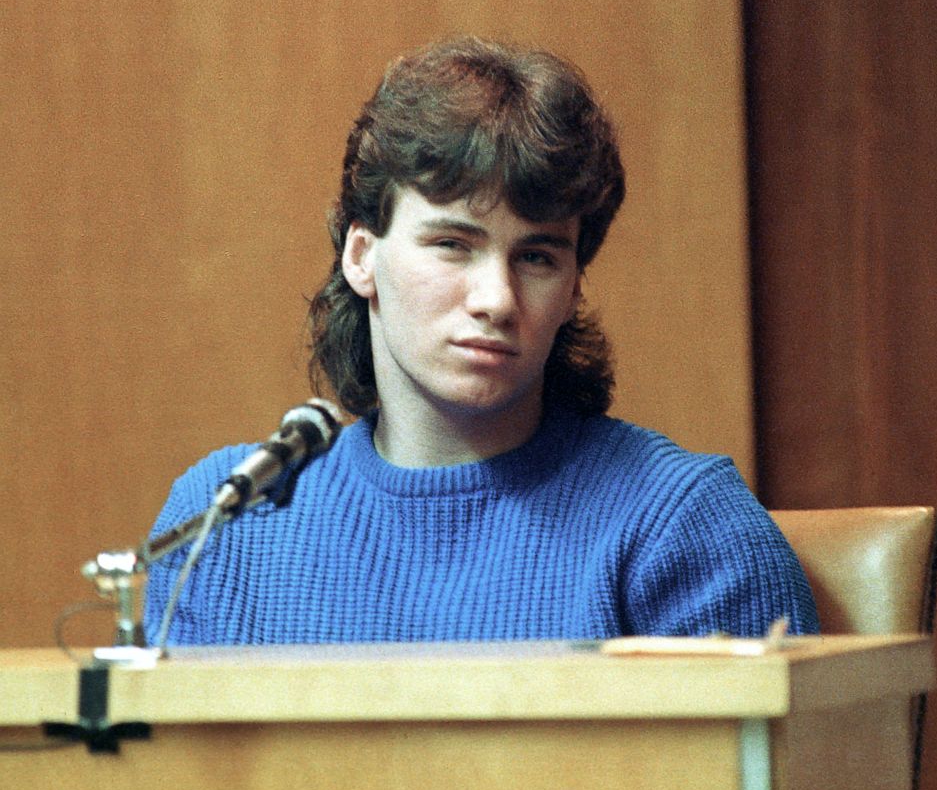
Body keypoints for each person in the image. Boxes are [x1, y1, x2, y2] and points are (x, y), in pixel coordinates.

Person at [144, 36, 818, 645]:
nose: (496, 300)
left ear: (574, 286)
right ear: (361, 256)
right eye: (452, 245)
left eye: (537, 258)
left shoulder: (683, 523)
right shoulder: (222, 522)